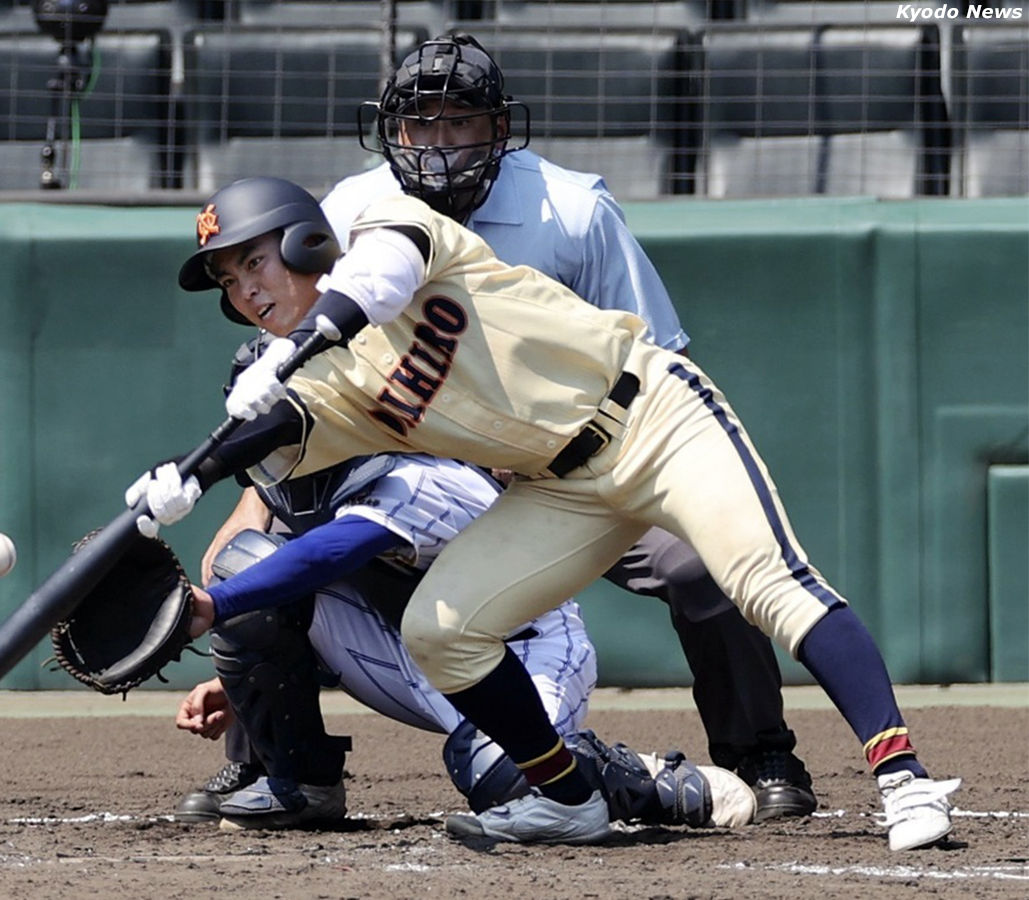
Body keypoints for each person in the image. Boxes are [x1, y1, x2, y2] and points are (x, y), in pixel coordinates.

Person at [137, 174, 960, 850]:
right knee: (442, 630)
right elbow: (284, 432)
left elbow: (379, 278)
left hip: (649, 415)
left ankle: (904, 779)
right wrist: (192, 472)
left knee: (768, 584)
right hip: (560, 488)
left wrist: (291, 348)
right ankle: (569, 798)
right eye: (229, 280)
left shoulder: (387, 225)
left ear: (304, 242)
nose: (245, 290)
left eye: (255, 263)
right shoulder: (333, 380)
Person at [223, 32, 818, 820]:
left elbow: (653, 356)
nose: (437, 143)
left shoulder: (572, 211)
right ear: (390, 132)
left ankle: (760, 755)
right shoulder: (349, 212)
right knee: (254, 555)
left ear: (498, 128)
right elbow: (295, 383)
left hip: (578, 463)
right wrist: (250, 506)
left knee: (696, 564)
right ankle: (273, 763)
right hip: (423, 470)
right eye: (419, 125)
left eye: (459, 121)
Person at [156, 442, 754, 831]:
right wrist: (238, 673)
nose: (274, 446)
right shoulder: (302, 476)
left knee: (506, 780)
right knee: (245, 564)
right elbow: (276, 576)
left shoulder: (411, 472)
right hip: (405, 650)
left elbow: (329, 554)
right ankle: (304, 784)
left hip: (519, 652)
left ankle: (654, 782)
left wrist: (211, 607)